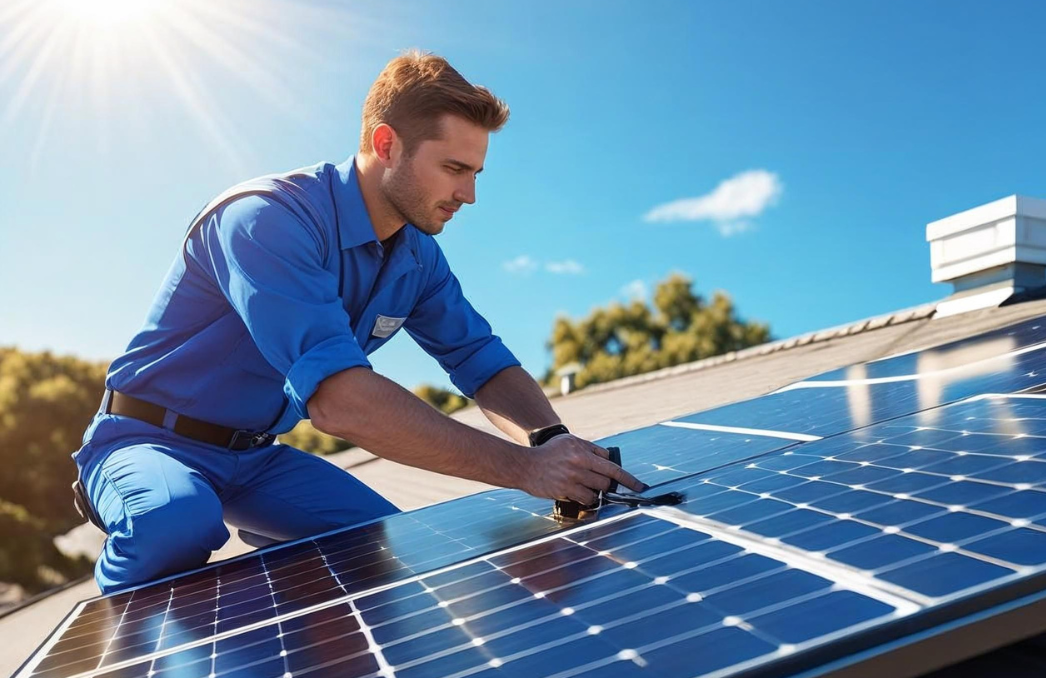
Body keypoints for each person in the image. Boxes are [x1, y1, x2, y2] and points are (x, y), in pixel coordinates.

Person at [72, 50, 644, 593]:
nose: (468, 195)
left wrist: (556, 445)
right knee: (173, 522)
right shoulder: (266, 221)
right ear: (387, 144)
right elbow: (339, 402)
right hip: (147, 442)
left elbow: (478, 359)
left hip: (255, 457)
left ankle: (284, 669)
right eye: (453, 168)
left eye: (476, 173)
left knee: (379, 550)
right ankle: (107, 677)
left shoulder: (417, 256)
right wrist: (524, 468)